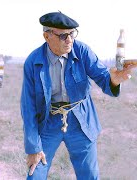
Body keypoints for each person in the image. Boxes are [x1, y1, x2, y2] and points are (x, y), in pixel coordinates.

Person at [20, 11, 137, 179]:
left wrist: (114, 80)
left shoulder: (81, 51)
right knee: (35, 174)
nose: (69, 40)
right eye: (63, 36)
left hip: (80, 120)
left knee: (89, 175)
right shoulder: (33, 62)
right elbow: (28, 107)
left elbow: (104, 78)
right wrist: (33, 148)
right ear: (47, 36)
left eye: (72, 34)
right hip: (48, 121)